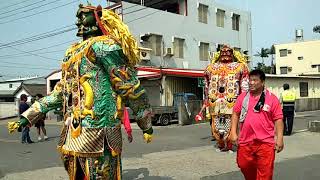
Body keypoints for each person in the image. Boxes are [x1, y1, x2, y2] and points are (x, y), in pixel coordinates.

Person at [8, 4, 153, 180]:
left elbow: (128, 85)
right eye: (78, 17)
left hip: (100, 129)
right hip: (74, 129)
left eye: (83, 16)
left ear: (98, 18)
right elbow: (61, 92)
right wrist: (29, 115)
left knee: (99, 173)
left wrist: (145, 123)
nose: (79, 20)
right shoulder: (72, 52)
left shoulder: (104, 46)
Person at [230, 69, 284, 180]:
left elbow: (278, 119)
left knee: (266, 173)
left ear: (263, 82)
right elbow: (235, 113)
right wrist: (233, 132)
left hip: (265, 143)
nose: (251, 83)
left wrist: (280, 138)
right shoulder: (243, 97)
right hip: (245, 141)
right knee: (243, 165)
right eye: (250, 80)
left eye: (255, 80)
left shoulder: (272, 99)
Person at [195, 45, 249, 152]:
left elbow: (244, 86)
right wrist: (206, 100)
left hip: (232, 103)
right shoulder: (210, 68)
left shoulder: (240, 67)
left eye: (228, 52)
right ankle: (221, 143)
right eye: (222, 52)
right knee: (217, 126)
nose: (225, 54)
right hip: (215, 103)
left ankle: (229, 143)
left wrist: (244, 102)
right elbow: (207, 85)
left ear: (232, 54)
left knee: (232, 124)